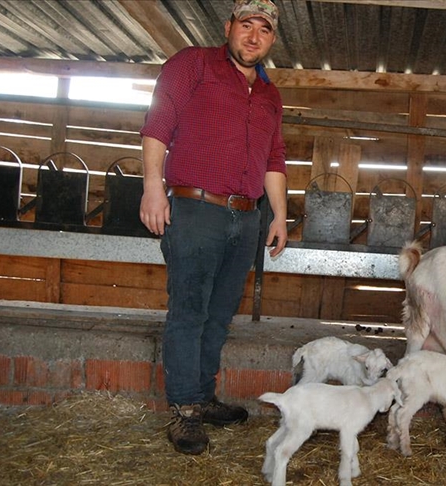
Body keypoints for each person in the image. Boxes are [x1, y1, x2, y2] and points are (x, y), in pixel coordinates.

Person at [138, 0, 288, 455]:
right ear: (229, 27)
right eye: (247, 25)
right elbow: (158, 122)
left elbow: (274, 158)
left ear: (272, 39)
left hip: (247, 216)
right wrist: (152, 187)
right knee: (189, 311)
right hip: (196, 208)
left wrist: (279, 215)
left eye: (264, 29)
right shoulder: (193, 64)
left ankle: (202, 397)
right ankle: (185, 411)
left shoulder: (270, 94)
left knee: (220, 314)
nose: (254, 36)